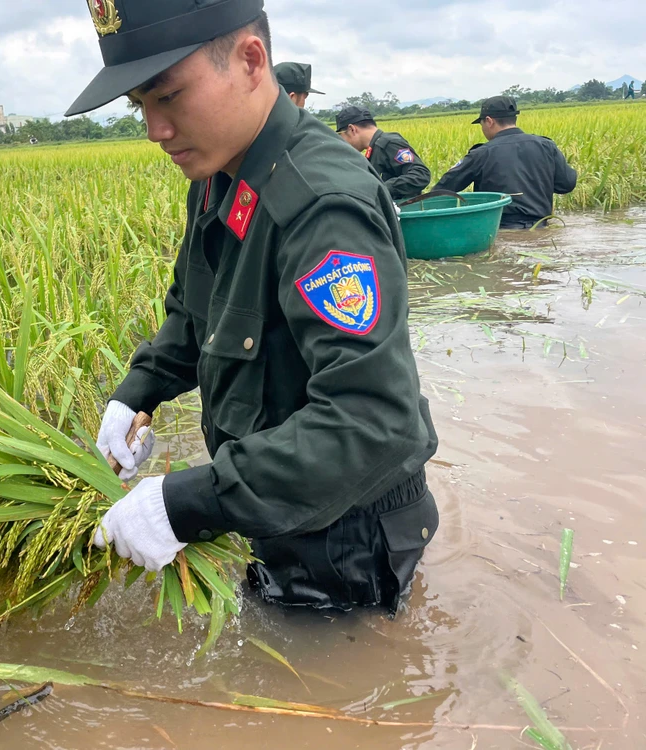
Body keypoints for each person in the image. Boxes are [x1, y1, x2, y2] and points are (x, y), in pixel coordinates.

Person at [67, 0, 439, 615]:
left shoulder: (321, 206)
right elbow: (194, 311)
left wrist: (187, 503)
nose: (155, 131)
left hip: (345, 537)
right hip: (274, 506)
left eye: (169, 96)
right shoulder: (219, 174)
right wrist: (138, 392)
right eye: (141, 106)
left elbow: (371, 421)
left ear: (250, 60)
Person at [434, 96, 577, 229]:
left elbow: (444, 189)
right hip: (541, 227)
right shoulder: (546, 146)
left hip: (500, 229)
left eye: (482, 124)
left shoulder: (482, 153)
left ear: (489, 121)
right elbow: (566, 185)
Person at [334, 105, 431, 202]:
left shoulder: (389, 143)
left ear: (352, 129)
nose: (343, 141)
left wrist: (382, 188)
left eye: (341, 135)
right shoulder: (375, 149)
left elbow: (421, 175)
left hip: (405, 210)